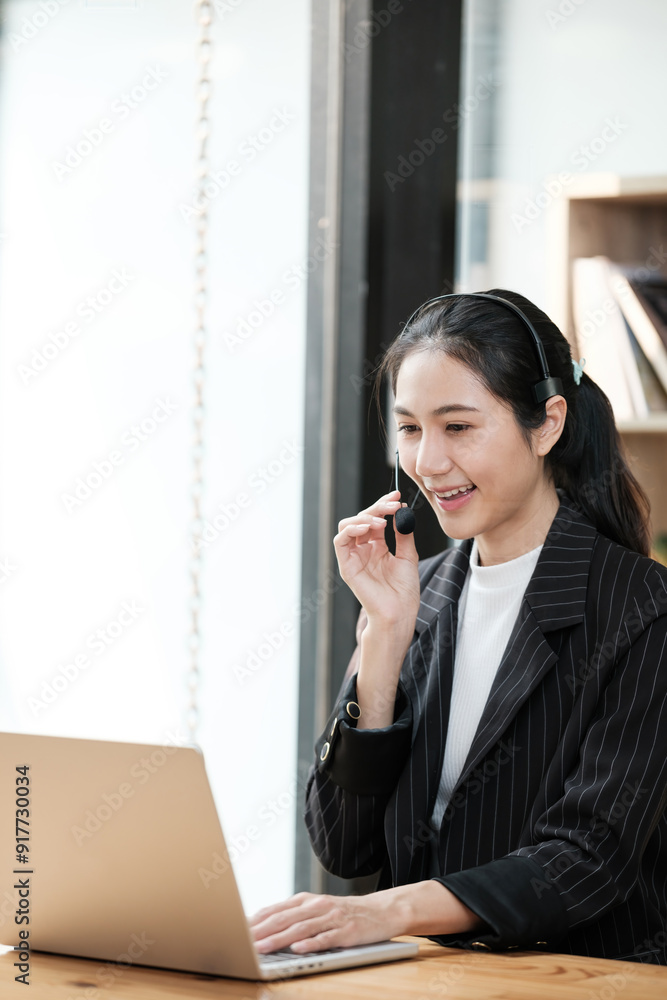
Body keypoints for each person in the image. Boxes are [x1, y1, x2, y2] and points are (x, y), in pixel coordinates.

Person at [250, 289, 667, 964]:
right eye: (409, 427)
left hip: (575, 980)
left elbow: (587, 859)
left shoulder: (642, 609)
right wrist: (381, 642)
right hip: (422, 978)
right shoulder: (420, 593)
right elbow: (340, 843)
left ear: (547, 424)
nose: (428, 461)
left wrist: (391, 910)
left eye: (457, 427)